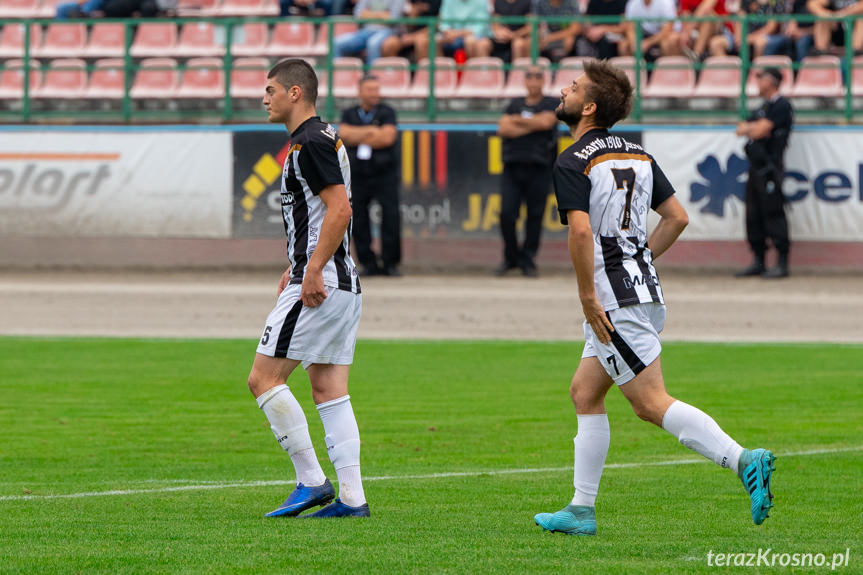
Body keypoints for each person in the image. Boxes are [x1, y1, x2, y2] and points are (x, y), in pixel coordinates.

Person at [533, 60, 775, 535]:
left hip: (612, 302)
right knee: (585, 393)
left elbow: (580, 232)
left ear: (589, 106)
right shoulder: (636, 152)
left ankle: (743, 458)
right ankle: (581, 510)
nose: (563, 89)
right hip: (638, 290)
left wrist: (587, 294)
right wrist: (638, 258)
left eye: (574, 86)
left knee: (649, 403)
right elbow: (677, 217)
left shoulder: (573, 159)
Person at [251, 59, 368, 519]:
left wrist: (312, 268)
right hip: (340, 279)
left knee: (263, 378)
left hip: (321, 282)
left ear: (295, 93)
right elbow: (322, 215)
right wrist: (297, 262)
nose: (265, 98)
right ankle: (353, 500)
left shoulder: (308, 143)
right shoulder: (325, 137)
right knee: (328, 386)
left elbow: (339, 210)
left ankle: (311, 481)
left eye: (271, 89)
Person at [495, 65, 559, 277]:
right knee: (506, 214)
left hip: (539, 167)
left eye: (537, 77)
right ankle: (511, 257)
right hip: (512, 166)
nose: (533, 82)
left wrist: (518, 122)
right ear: (524, 81)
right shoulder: (514, 103)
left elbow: (547, 122)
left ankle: (528, 259)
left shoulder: (551, 103)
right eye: (529, 77)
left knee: (535, 216)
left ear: (543, 81)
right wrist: (532, 123)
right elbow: (503, 128)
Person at [339, 75, 402, 277]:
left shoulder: (387, 112)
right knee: (358, 219)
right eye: (370, 90)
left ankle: (390, 263)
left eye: (377, 89)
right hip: (358, 173)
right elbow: (344, 134)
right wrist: (373, 132)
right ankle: (368, 263)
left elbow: (387, 137)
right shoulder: (349, 113)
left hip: (385, 173)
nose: (375, 94)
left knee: (391, 216)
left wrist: (360, 134)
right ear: (360, 92)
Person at [735, 67, 793, 279]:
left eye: (762, 79)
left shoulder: (781, 106)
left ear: (772, 82)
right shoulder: (764, 107)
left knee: (774, 213)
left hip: (770, 168)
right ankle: (759, 260)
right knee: (753, 215)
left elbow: (757, 130)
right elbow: (740, 128)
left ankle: (782, 262)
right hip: (756, 167)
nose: (758, 83)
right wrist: (757, 127)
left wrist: (757, 128)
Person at [333, 0, 406, 64]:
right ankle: (336, 74)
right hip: (365, 31)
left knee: (373, 43)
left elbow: (392, 19)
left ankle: (371, 76)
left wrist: (368, 13)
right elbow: (358, 14)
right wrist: (382, 14)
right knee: (336, 43)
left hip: (387, 31)